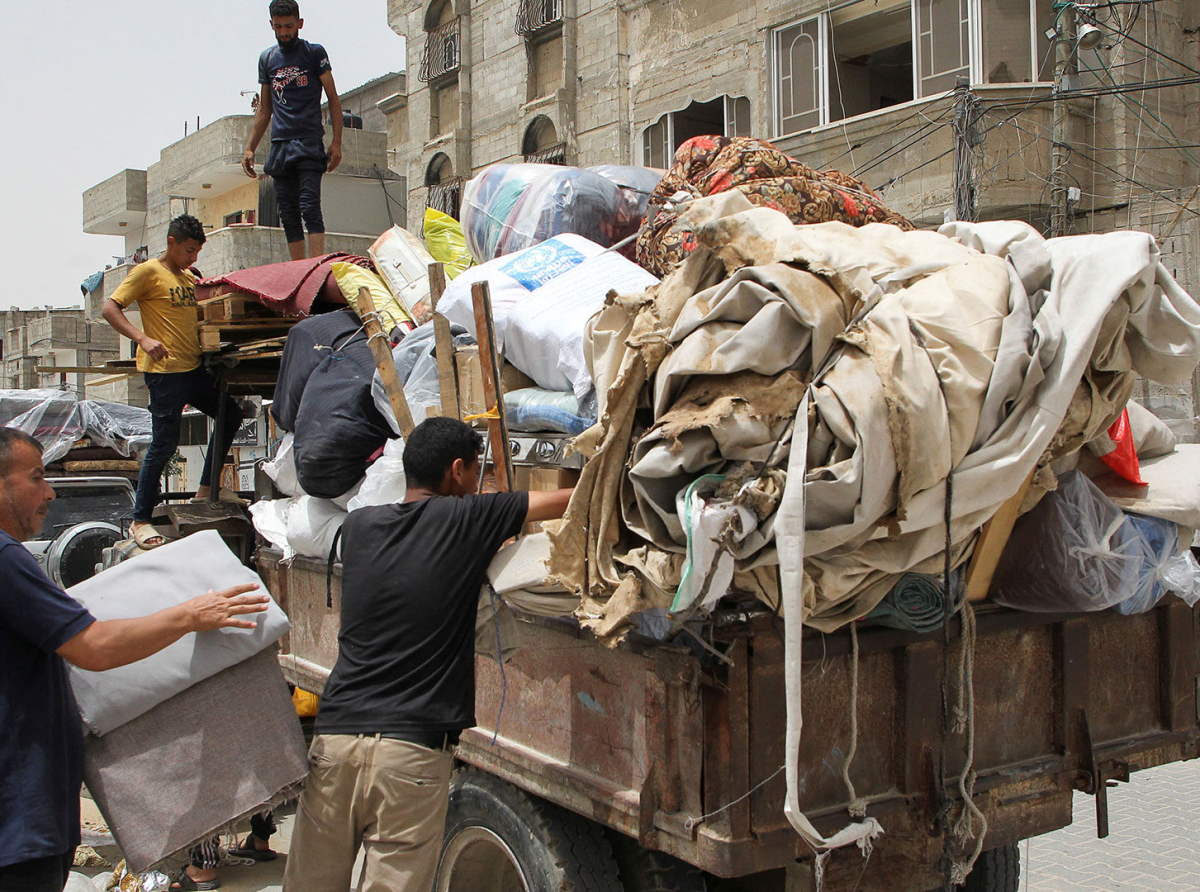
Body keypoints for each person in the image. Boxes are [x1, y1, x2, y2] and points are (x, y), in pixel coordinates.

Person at [282, 418, 573, 892]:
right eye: (476, 472)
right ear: (456, 470)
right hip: (411, 755)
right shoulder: (467, 519)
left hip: (335, 744)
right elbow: (555, 502)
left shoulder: (359, 527)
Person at [0, 428, 269, 892]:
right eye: (37, 477)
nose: (49, 492)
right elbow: (94, 646)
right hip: (19, 829)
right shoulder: (6, 559)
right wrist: (189, 614)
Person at [102, 214, 245, 550]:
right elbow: (110, 308)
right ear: (172, 243)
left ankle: (207, 488)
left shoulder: (184, 277)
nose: (193, 257)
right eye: (189, 250)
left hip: (192, 369)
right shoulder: (147, 272)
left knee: (231, 414)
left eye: (197, 252)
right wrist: (143, 339)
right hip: (165, 373)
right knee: (164, 445)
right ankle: (140, 520)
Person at [242, 0, 342, 261]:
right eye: (278, 27)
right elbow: (265, 109)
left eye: (288, 26)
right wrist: (250, 147)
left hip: (308, 141)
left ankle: (315, 263)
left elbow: (332, 98)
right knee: (287, 211)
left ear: (299, 23)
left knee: (309, 206)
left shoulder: (314, 53)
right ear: (271, 26)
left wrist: (337, 143)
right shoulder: (268, 59)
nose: (284, 32)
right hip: (280, 145)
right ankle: (299, 267)